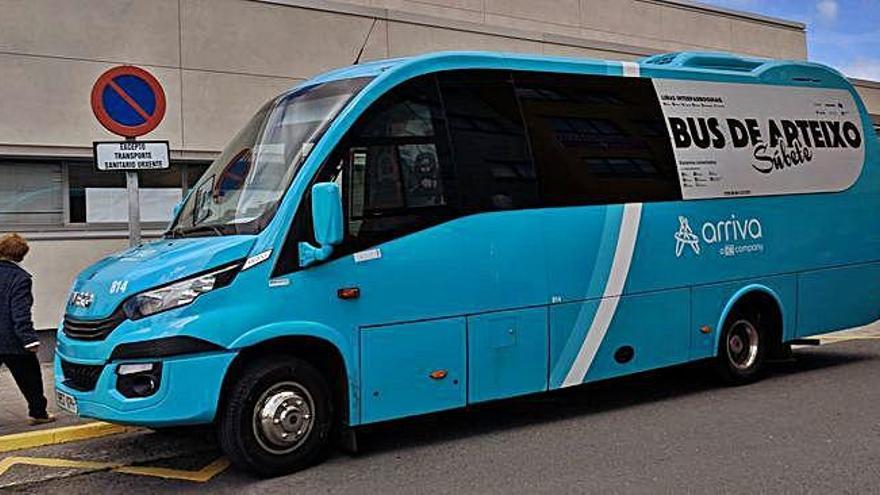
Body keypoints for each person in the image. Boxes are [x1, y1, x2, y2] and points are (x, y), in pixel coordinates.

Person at [0, 233, 55, 425]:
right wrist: (29, 340)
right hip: (12, 340)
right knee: (30, 377)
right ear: (21, 255)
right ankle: (38, 413)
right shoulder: (20, 278)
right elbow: (20, 313)